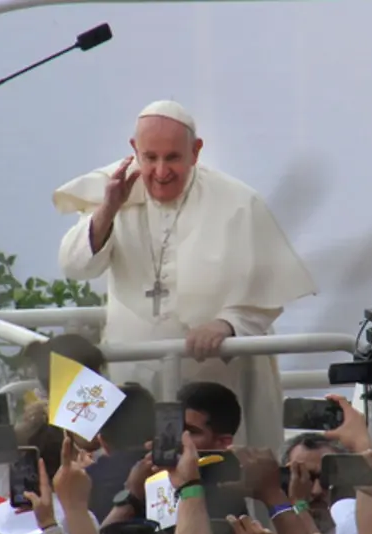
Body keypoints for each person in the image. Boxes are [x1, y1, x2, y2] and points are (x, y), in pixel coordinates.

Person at [54, 100, 317, 449]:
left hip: (212, 379)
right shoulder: (114, 190)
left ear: (195, 152)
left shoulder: (237, 203)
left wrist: (226, 324)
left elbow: (264, 296)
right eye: (150, 158)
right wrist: (107, 210)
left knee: (217, 483)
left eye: (173, 158)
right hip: (135, 375)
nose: (161, 171)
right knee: (136, 475)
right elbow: (75, 266)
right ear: (135, 151)